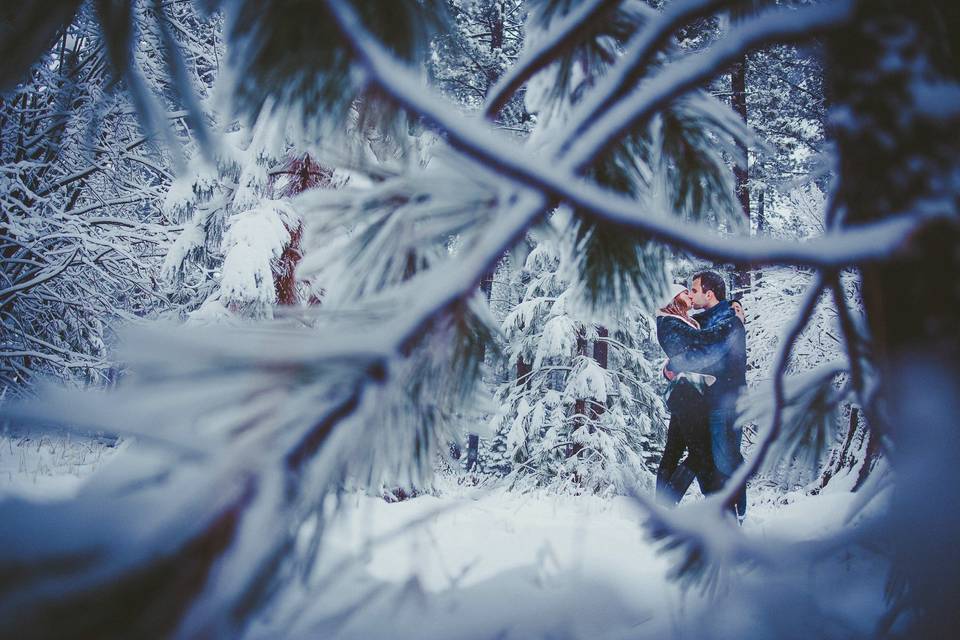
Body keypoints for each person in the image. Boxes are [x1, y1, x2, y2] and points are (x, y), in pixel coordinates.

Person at [667, 271, 748, 520]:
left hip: (728, 400)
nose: (690, 295)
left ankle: (735, 514)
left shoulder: (730, 322)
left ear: (709, 293)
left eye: (694, 290)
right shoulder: (706, 319)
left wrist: (676, 365)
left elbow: (708, 355)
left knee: (725, 458)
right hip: (706, 400)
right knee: (709, 458)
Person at [654, 283, 722, 504]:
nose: (691, 297)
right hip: (687, 393)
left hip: (688, 391)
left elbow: (684, 353)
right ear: (672, 298)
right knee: (701, 451)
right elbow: (691, 350)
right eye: (686, 293)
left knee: (674, 448)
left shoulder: (680, 322)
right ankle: (674, 499)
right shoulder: (670, 322)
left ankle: (663, 502)